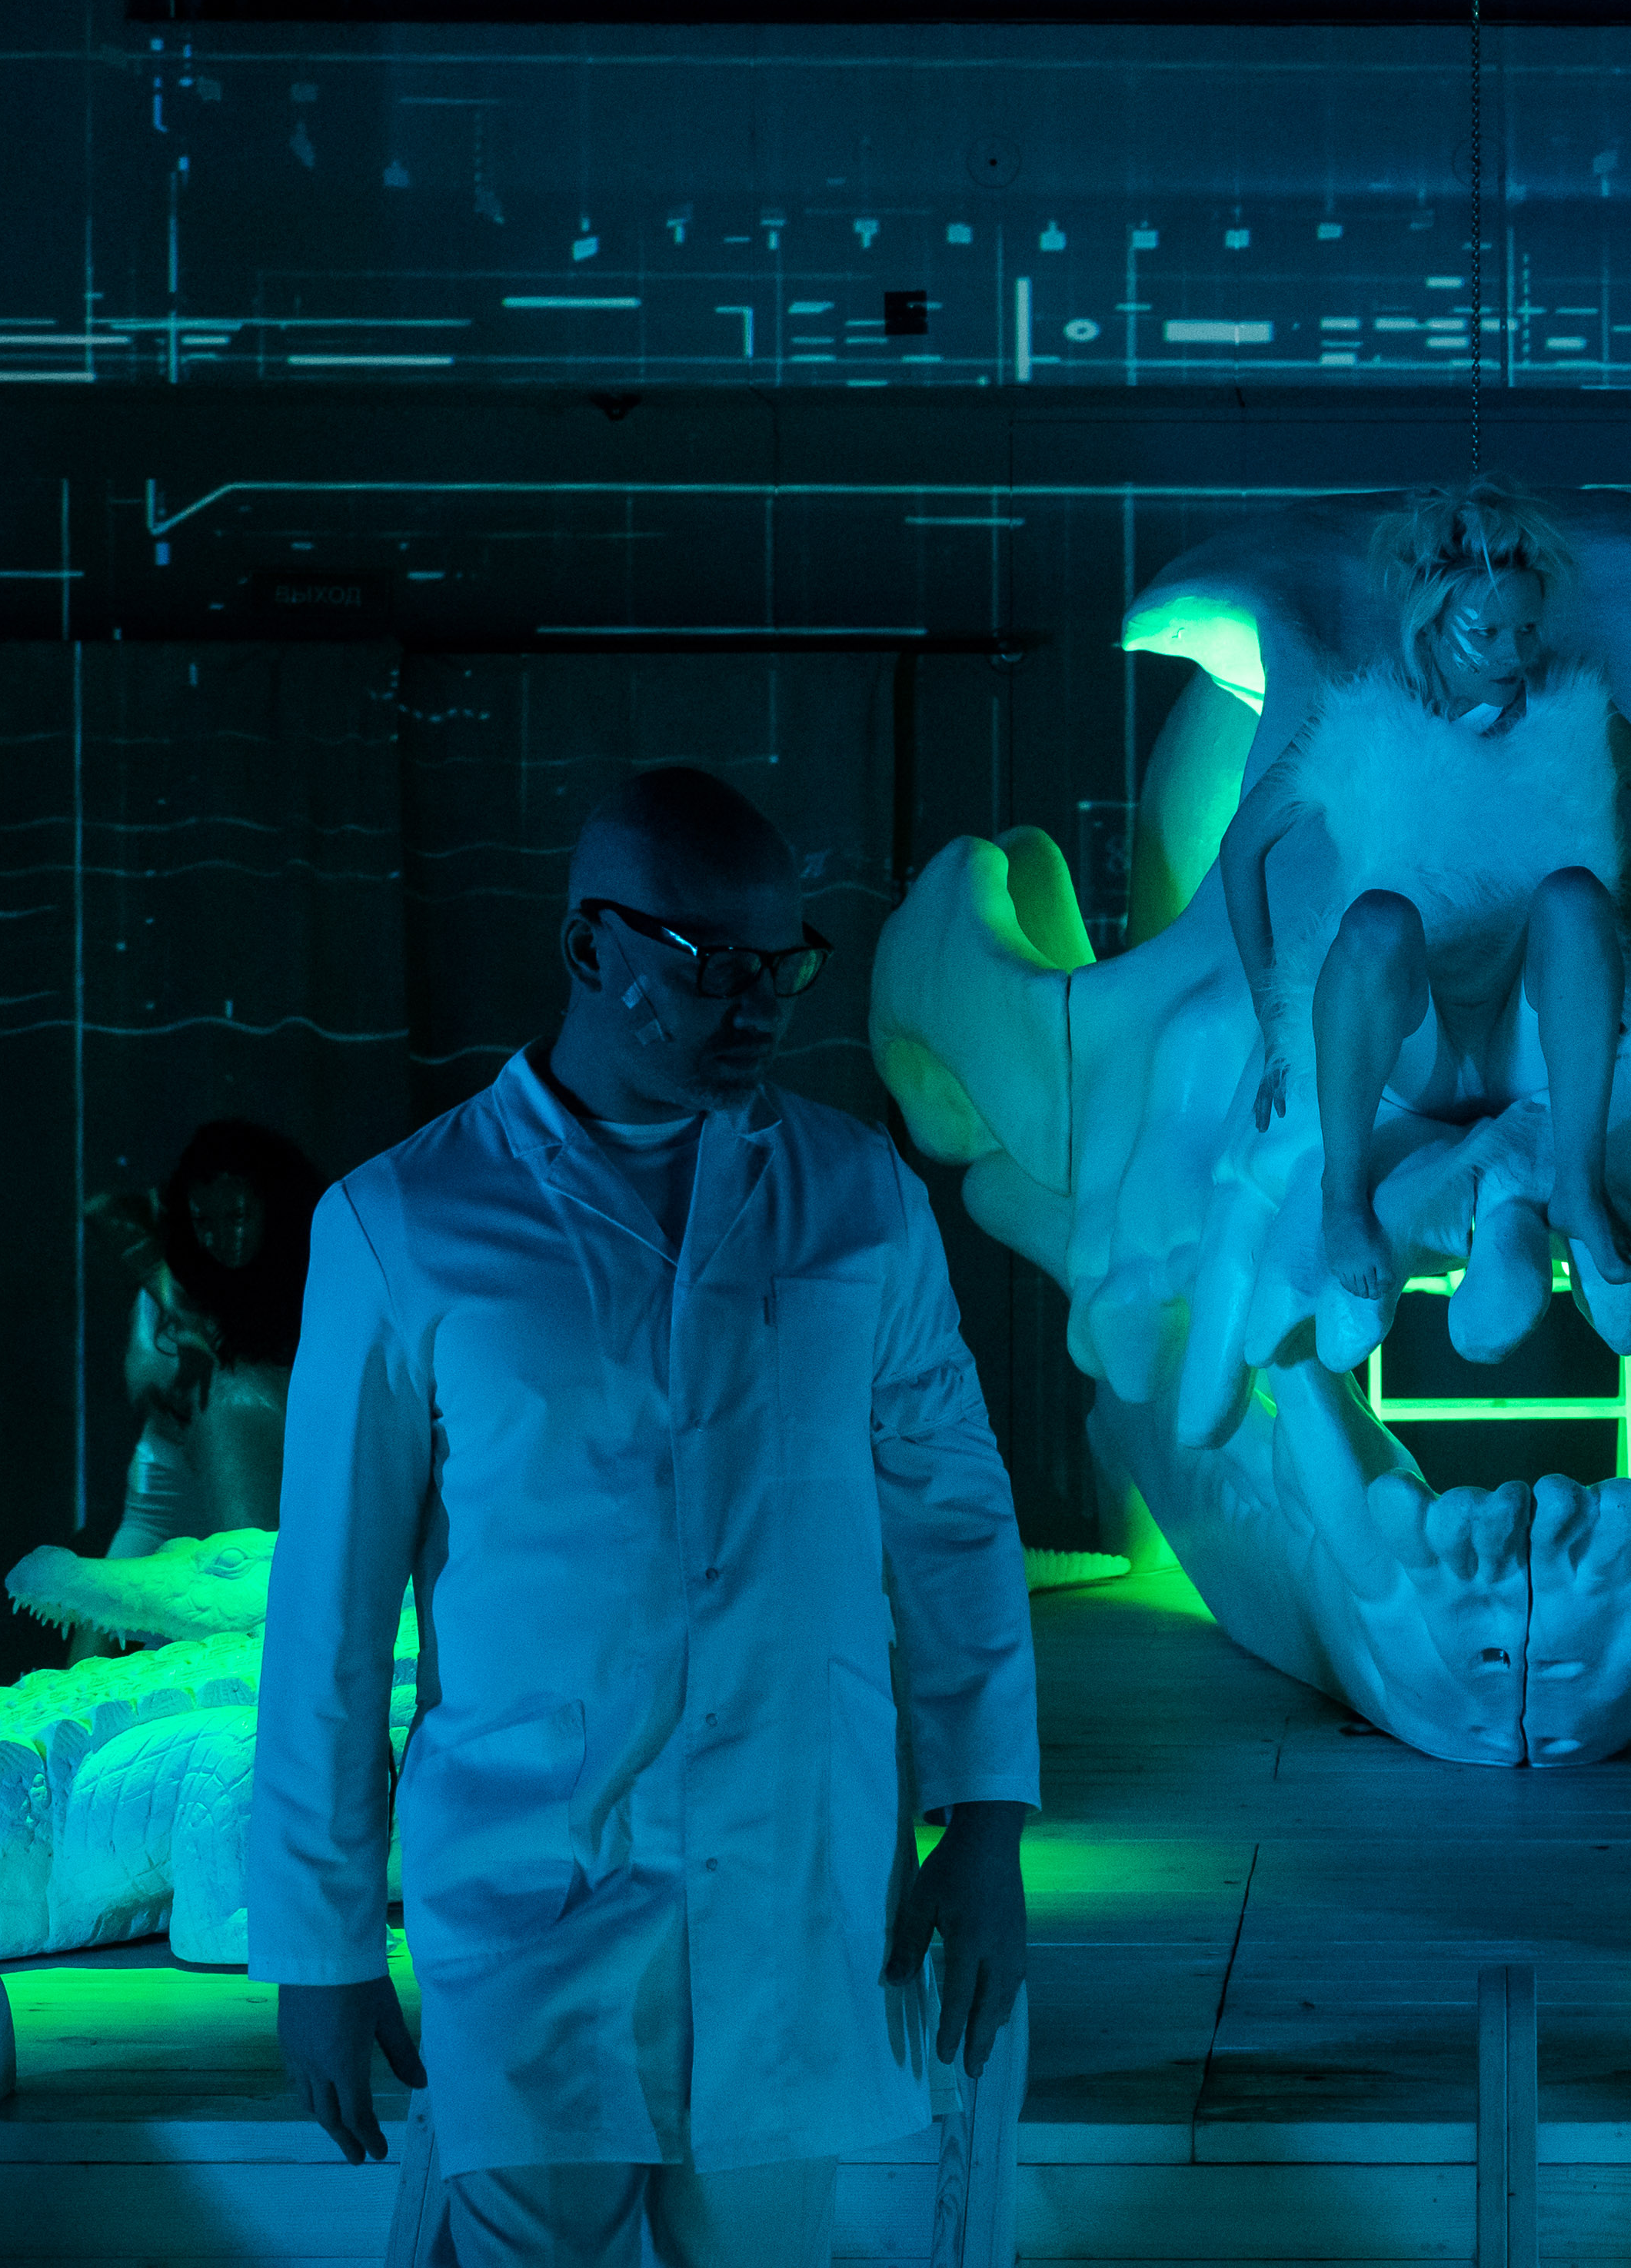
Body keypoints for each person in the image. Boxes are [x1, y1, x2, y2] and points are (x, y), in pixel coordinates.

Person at [249, 767, 1040, 2268]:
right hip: (529, 1887)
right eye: (710, 964)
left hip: (793, 1872)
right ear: (589, 945)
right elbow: (328, 1625)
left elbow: (953, 1521)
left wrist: (987, 1829)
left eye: (781, 966)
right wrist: (322, 1950)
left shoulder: (858, 1203)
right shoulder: (405, 1226)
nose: (757, 1006)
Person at [1219, 481, 1631, 1305]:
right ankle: (1343, 1198)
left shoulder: (1571, 716)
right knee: (1376, 919)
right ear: (1431, 626)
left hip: (1533, 1039)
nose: (1516, 653)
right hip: (1414, 1046)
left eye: (1529, 629)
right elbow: (1241, 851)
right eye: (1488, 633)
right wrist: (1273, 1018)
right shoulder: (1362, 726)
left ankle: (1579, 1187)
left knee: (1577, 896)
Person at [84, 1117, 321, 1555]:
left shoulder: (311, 1268)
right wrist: (178, 1308)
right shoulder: (175, 1269)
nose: (221, 1238)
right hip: (166, 1474)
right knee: (114, 1591)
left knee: (241, 1577)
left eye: (237, 1217)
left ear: (270, 1203)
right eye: (203, 1220)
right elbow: (102, 1207)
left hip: (255, 1474)